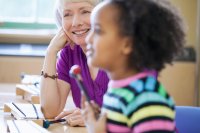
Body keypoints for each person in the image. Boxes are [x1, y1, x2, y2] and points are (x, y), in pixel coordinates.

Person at [82, 0, 185, 132]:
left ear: (127, 44)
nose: (88, 39)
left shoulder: (146, 98)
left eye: (97, 30)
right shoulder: (119, 89)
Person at [40, 0, 109, 127]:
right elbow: (50, 111)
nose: (76, 22)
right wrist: (50, 52)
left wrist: (101, 118)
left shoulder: (124, 52)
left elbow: (149, 110)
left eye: (85, 12)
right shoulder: (69, 53)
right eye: (67, 14)